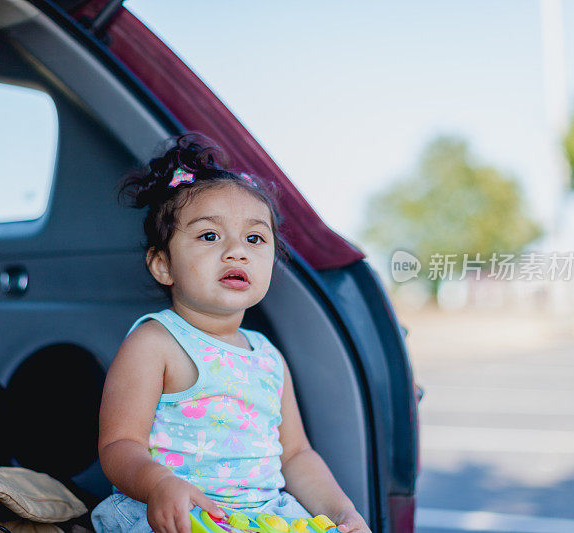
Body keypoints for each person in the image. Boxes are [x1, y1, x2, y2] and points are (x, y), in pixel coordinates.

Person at [91, 133, 371, 533]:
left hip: (262, 518)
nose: (237, 251)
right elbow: (119, 446)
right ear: (162, 265)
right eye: (210, 235)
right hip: (180, 516)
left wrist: (342, 512)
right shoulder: (156, 342)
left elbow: (295, 455)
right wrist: (159, 485)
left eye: (254, 238)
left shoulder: (267, 356)